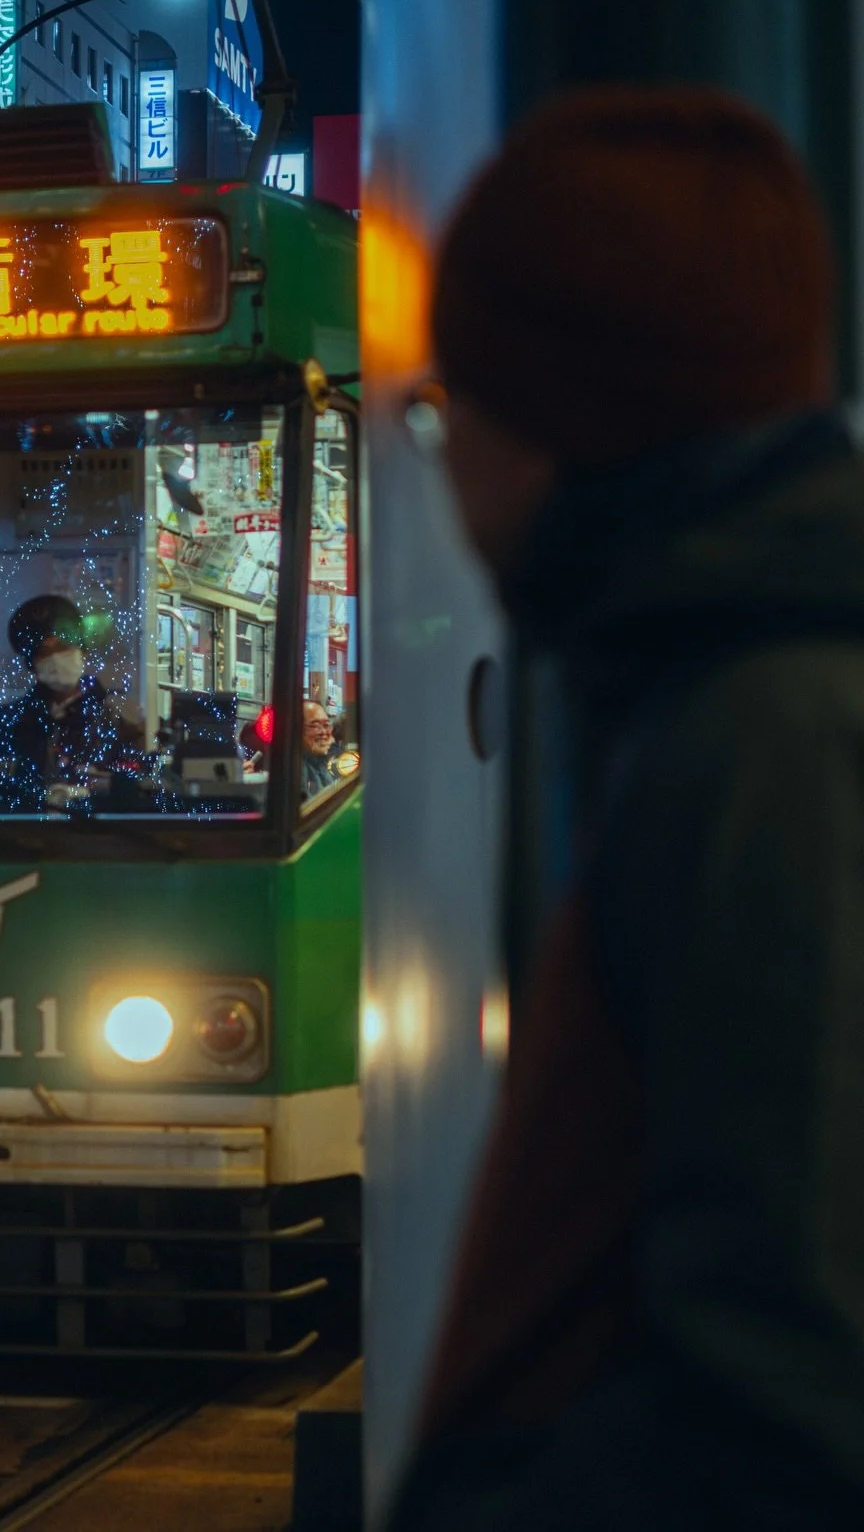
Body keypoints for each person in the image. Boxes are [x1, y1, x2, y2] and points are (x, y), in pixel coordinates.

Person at [389, 88, 864, 1528]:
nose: (443, 458)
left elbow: (780, 1390)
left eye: (442, 408)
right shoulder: (744, 680)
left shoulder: (761, 735)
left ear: (550, 428)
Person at [0, 595, 142, 785]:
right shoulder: (11, 720)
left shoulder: (117, 717)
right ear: (32, 665)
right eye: (44, 653)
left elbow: (135, 785)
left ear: (82, 650)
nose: (56, 659)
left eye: (62, 647)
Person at [301, 698, 336, 798]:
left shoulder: (324, 763)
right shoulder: (297, 769)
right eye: (315, 726)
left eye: (326, 725)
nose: (324, 732)